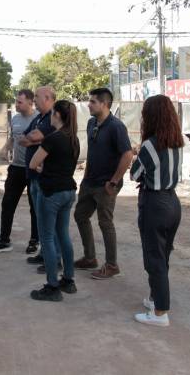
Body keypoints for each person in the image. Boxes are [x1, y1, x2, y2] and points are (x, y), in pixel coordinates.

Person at [129, 95, 185, 327]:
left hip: (154, 203)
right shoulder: (177, 142)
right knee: (163, 255)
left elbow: (134, 174)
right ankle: (155, 298)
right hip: (173, 202)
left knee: (154, 257)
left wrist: (138, 154)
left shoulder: (150, 144)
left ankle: (160, 312)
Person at [73, 88, 133, 280]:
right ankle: (90, 258)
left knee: (105, 222)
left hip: (106, 184)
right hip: (89, 181)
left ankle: (112, 264)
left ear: (104, 104)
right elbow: (92, 152)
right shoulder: (92, 123)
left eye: (92, 102)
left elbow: (127, 154)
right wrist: (86, 176)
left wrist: (114, 181)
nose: (89, 105)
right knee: (80, 215)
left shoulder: (116, 126)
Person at [28, 100, 80, 301]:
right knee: (63, 235)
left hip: (51, 192)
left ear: (57, 115)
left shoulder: (52, 138)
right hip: (68, 191)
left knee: (47, 238)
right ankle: (68, 279)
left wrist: (43, 169)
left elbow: (33, 164)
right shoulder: (73, 138)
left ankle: (52, 286)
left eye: (52, 112)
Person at [0, 89, 38, 254]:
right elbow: (13, 138)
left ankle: (34, 240)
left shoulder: (39, 119)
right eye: (16, 101)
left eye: (20, 102)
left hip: (33, 169)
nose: (16, 104)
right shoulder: (15, 119)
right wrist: (5, 148)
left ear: (30, 102)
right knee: (8, 203)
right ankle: (4, 240)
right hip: (16, 168)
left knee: (34, 207)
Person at [19, 86, 57, 267]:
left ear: (48, 98)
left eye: (37, 96)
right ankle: (45, 254)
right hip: (34, 176)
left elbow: (33, 137)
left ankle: (54, 259)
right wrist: (35, 138)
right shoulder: (39, 118)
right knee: (41, 218)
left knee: (50, 222)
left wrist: (36, 138)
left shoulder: (53, 117)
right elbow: (24, 137)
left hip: (45, 177)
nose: (34, 99)